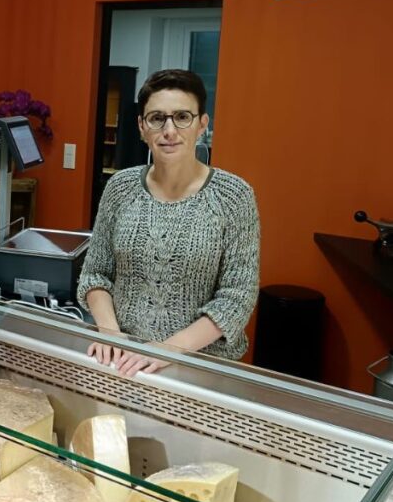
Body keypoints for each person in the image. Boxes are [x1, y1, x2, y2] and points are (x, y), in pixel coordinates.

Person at [78, 69, 260, 376]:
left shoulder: (234, 196)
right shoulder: (120, 187)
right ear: (141, 127)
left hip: (202, 368)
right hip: (124, 359)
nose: (169, 130)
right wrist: (109, 332)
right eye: (157, 118)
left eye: (182, 117)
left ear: (202, 124)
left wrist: (168, 349)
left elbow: (237, 298)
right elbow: (95, 274)